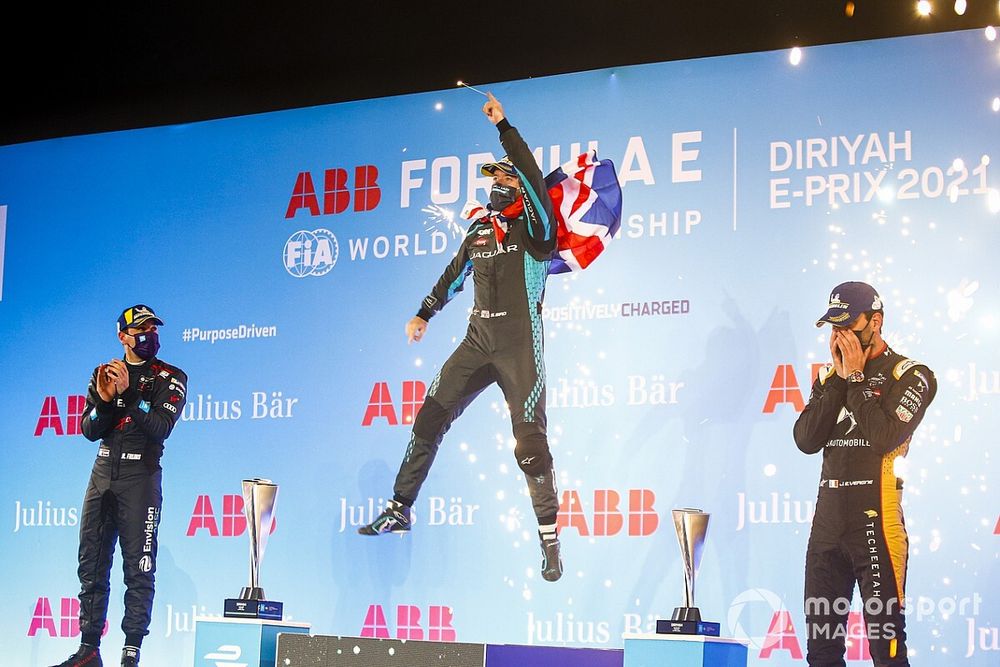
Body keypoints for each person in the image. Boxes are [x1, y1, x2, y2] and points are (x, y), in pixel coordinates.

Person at [358, 93, 563, 581]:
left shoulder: (538, 230)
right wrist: (423, 314)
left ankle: (550, 538)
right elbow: (454, 275)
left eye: (504, 177)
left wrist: (505, 126)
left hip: (519, 346)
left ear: (519, 188)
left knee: (529, 444)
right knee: (429, 417)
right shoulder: (478, 231)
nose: (496, 184)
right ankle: (399, 507)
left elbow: (534, 177)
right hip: (477, 341)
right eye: (491, 177)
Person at [793, 282, 936, 666]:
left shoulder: (912, 375)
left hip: (875, 524)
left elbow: (884, 437)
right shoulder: (829, 378)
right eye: (833, 328)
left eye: (849, 326)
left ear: (876, 321)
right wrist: (841, 379)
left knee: (886, 652)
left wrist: (856, 379)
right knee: (822, 652)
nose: (841, 337)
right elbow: (805, 440)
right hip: (827, 527)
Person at [52, 305, 187, 667]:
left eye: (152, 329)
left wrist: (127, 395)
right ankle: (89, 648)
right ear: (122, 336)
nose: (149, 336)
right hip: (102, 475)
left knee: (138, 568)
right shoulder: (105, 373)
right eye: (141, 330)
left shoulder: (170, 377)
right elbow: (90, 428)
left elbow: (159, 427)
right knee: (91, 564)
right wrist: (107, 400)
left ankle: (130, 653)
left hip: (139, 479)